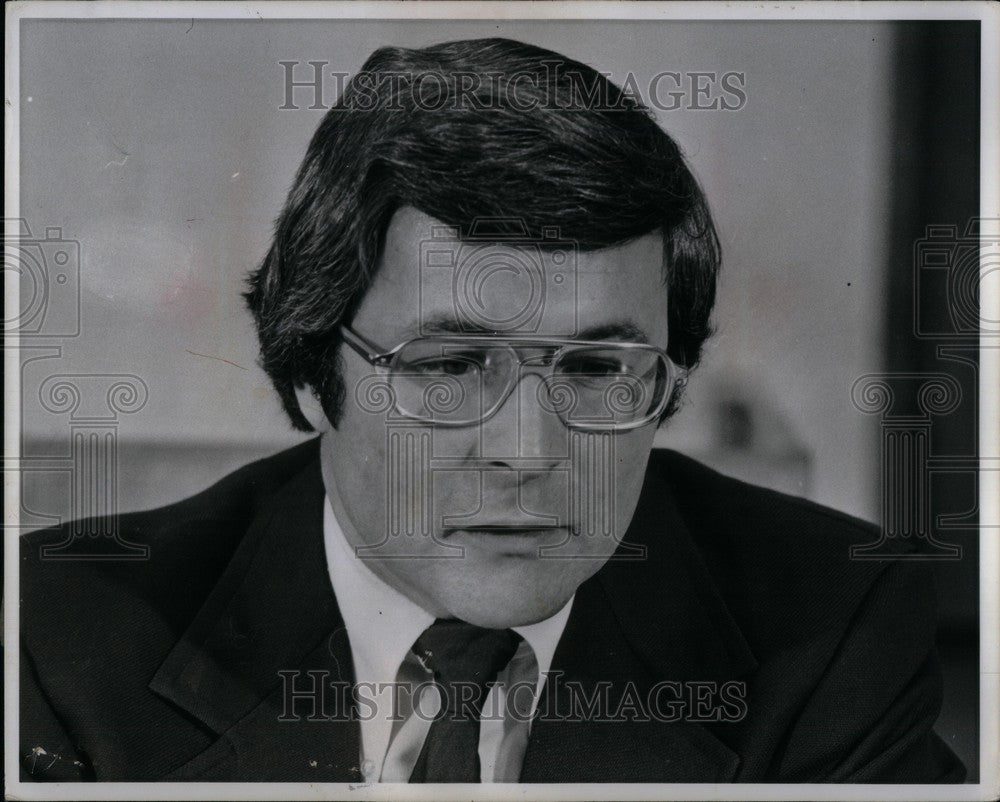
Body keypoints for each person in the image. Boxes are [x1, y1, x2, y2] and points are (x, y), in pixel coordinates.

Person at [19, 37, 964, 784]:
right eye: (452, 363)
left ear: (667, 381)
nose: (527, 450)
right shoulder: (61, 640)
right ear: (313, 371)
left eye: (597, 366)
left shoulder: (837, 627)